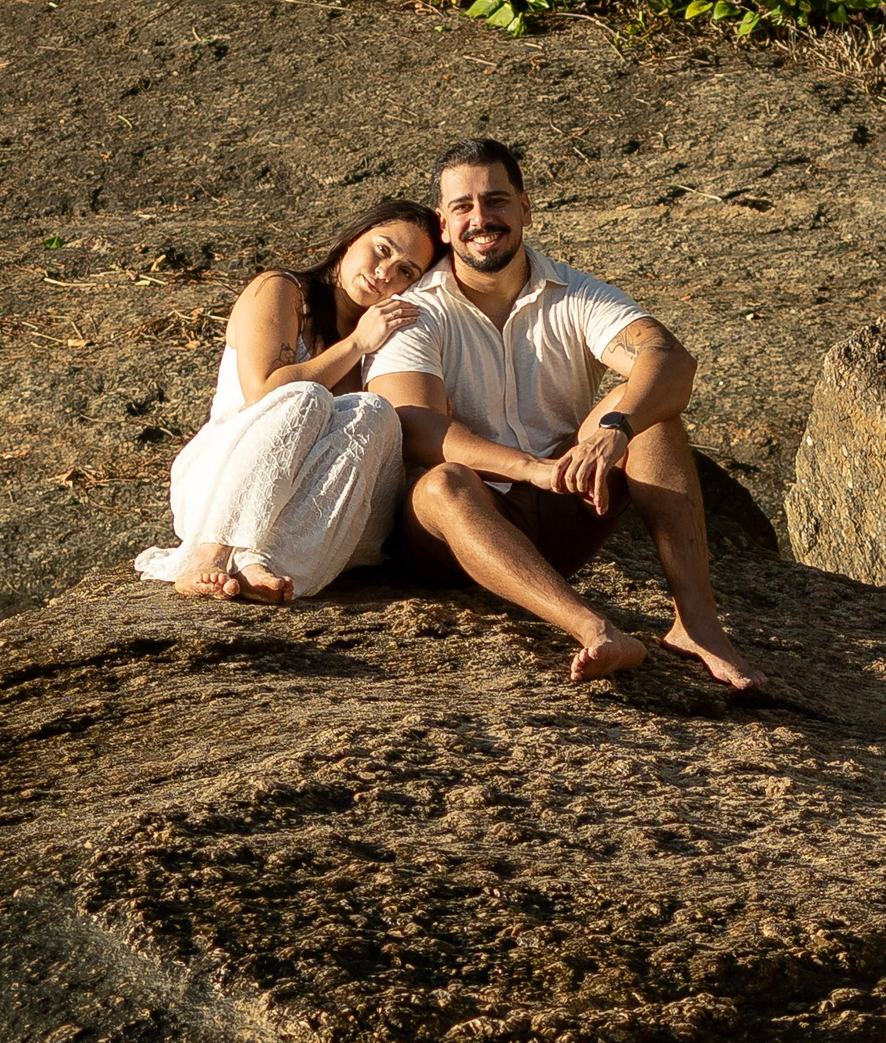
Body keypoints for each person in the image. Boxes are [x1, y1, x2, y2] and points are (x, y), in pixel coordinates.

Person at [369, 138, 763, 688]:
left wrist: (615, 430)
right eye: (463, 207)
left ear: (526, 207)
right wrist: (529, 467)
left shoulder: (573, 293)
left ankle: (696, 624)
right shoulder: (417, 311)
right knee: (442, 483)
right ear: (443, 223)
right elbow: (415, 425)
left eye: (497, 201)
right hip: (452, 537)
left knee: (650, 418)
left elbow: (669, 359)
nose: (481, 219)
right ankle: (593, 628)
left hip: (564, 510)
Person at [136, 199, 441, 604]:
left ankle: (263, 563)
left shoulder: (390, 333)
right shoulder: (281, 290)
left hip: (321, 519)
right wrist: (355, 344)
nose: (383, 274)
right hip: (222, 486)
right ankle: (211, 553)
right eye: (381, 250)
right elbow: (264, 390)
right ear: (353, 237)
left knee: (375, 411)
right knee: (305, 395)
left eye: (405, 272)